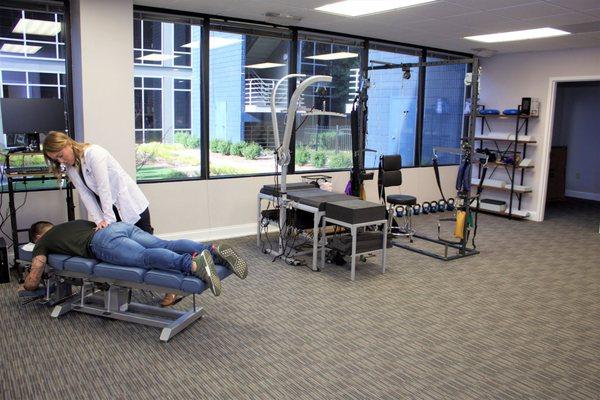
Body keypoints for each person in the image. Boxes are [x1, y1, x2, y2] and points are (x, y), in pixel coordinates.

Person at [43, 131, 176, 306]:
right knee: (129, 253)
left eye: (60, 155)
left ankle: (172, 285)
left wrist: (109, 221)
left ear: (68, 143)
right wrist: (100, 222)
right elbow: (86, 196)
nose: (61, 161)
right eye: (56, 160)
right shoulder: (71, 167)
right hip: (110, 209)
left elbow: (103, 187)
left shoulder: (94, 154)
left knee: (148, 247)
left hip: (130, 206)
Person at [21, 220, 248, 297]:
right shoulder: (70, 224)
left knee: (144, 257)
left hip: (101, 243)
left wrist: (28, 285)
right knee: (164, 244)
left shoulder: (43, 241)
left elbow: (37, 269)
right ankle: (213, 250)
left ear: (39, 235)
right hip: (120, 227)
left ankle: (193, 264)